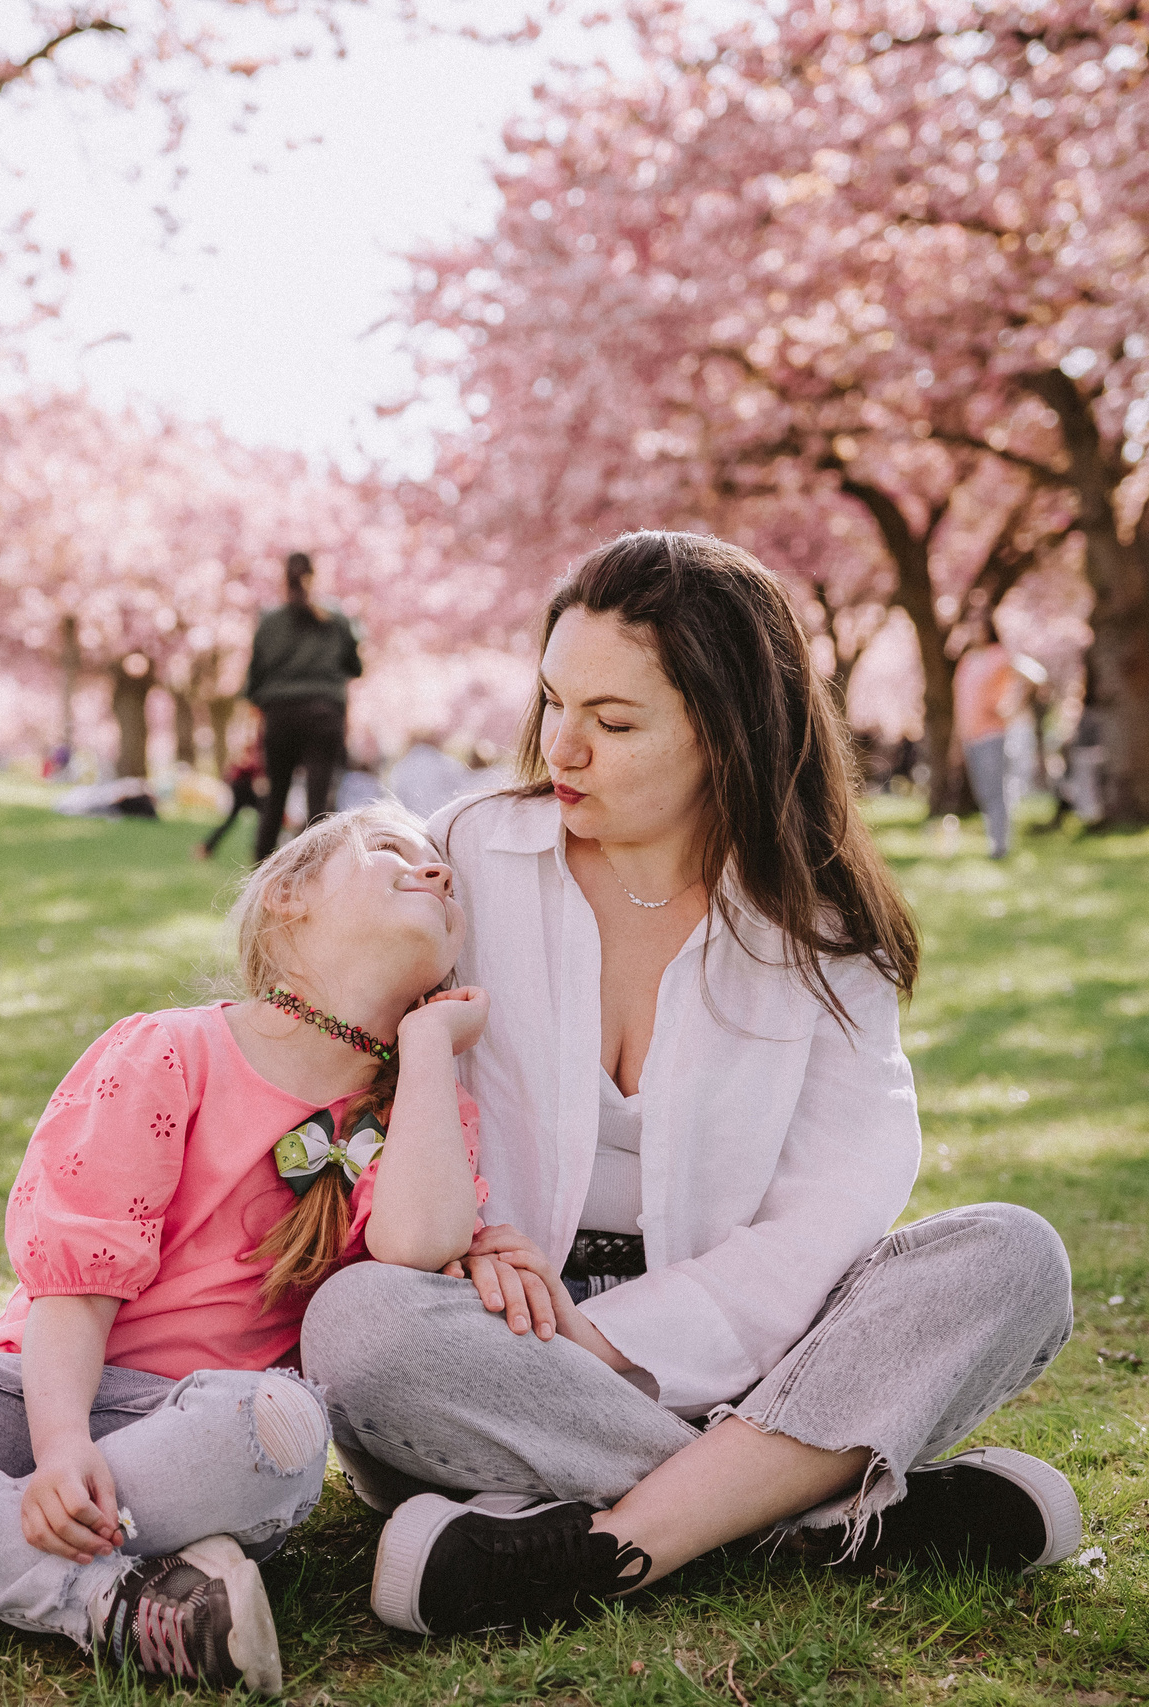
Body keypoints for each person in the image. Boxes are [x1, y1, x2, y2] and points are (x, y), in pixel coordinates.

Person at [302, 532, 1078, 1639]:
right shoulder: (463, 859)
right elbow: (344, 1085)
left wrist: (620, 1344)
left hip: (756, 1348)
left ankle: (604, 1547)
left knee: (1012, 1256)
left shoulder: (823, 935)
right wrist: (456, 1235)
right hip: (502, 1351)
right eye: (553, 700)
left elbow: (827, 1214)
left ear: (728, 735)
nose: (560, 746)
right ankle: (802, 1501)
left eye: (614, 723)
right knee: (358, 1324)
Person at [0, 805, 492, 1694]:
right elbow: (76, 1277)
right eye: (391, 851)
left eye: (448, 881)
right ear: (288, 900)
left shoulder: (419, 1113)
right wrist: (62, 1437)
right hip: (30, 1401)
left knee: (286, 1429)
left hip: (185, 1443)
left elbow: (420, 1240)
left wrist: (424, 1051)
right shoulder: (172, 1051)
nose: (434, 876)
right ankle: (103, 1601)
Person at [244, 552, 362, 862]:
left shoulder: (269, 622)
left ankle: (259, 870)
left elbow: (254, 680)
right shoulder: (337, 619)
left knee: (276, 795)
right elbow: (355, 666)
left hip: (281, 715)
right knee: (319, 799)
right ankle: (321, 871)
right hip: (324, 714)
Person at [951, 627, 1024, 858]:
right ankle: (993, 840)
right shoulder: (966, 661)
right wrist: (956, 741)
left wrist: (1011, 707)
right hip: (969, 736)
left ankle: (1000, 845)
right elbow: (959, 703)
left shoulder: (998, 655)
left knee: (995, 790)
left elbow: (1031, 675)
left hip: (992, 734)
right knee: (983, 792)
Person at [195, 717, 266, 861]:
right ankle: (259, 851)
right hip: (244, 783)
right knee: (263, 817)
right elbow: (251, 759)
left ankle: (207, 847)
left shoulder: (252, 731)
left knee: (258, 818)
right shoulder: (254, 731)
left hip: (242, 781)